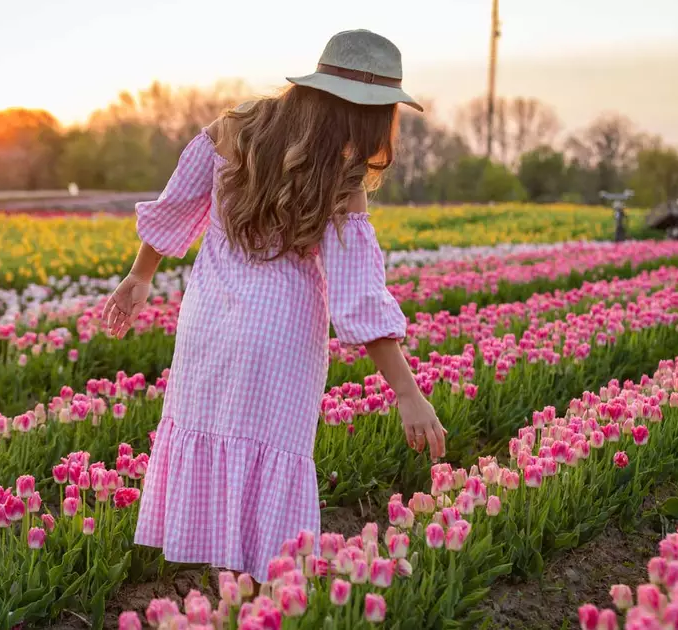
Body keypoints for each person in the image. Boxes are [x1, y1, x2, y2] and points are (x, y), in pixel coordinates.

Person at [101, 29, 446, 582]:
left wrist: (140, 276)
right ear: (374, 115)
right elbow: (359, 295)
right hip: (281, 339)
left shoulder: (234, 130)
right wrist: (407, 391)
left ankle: (225, 591)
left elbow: (175, 207)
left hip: (209, 324)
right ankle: (261, 597)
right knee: (268, 467)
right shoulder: (341, 176)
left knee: (217, 449)